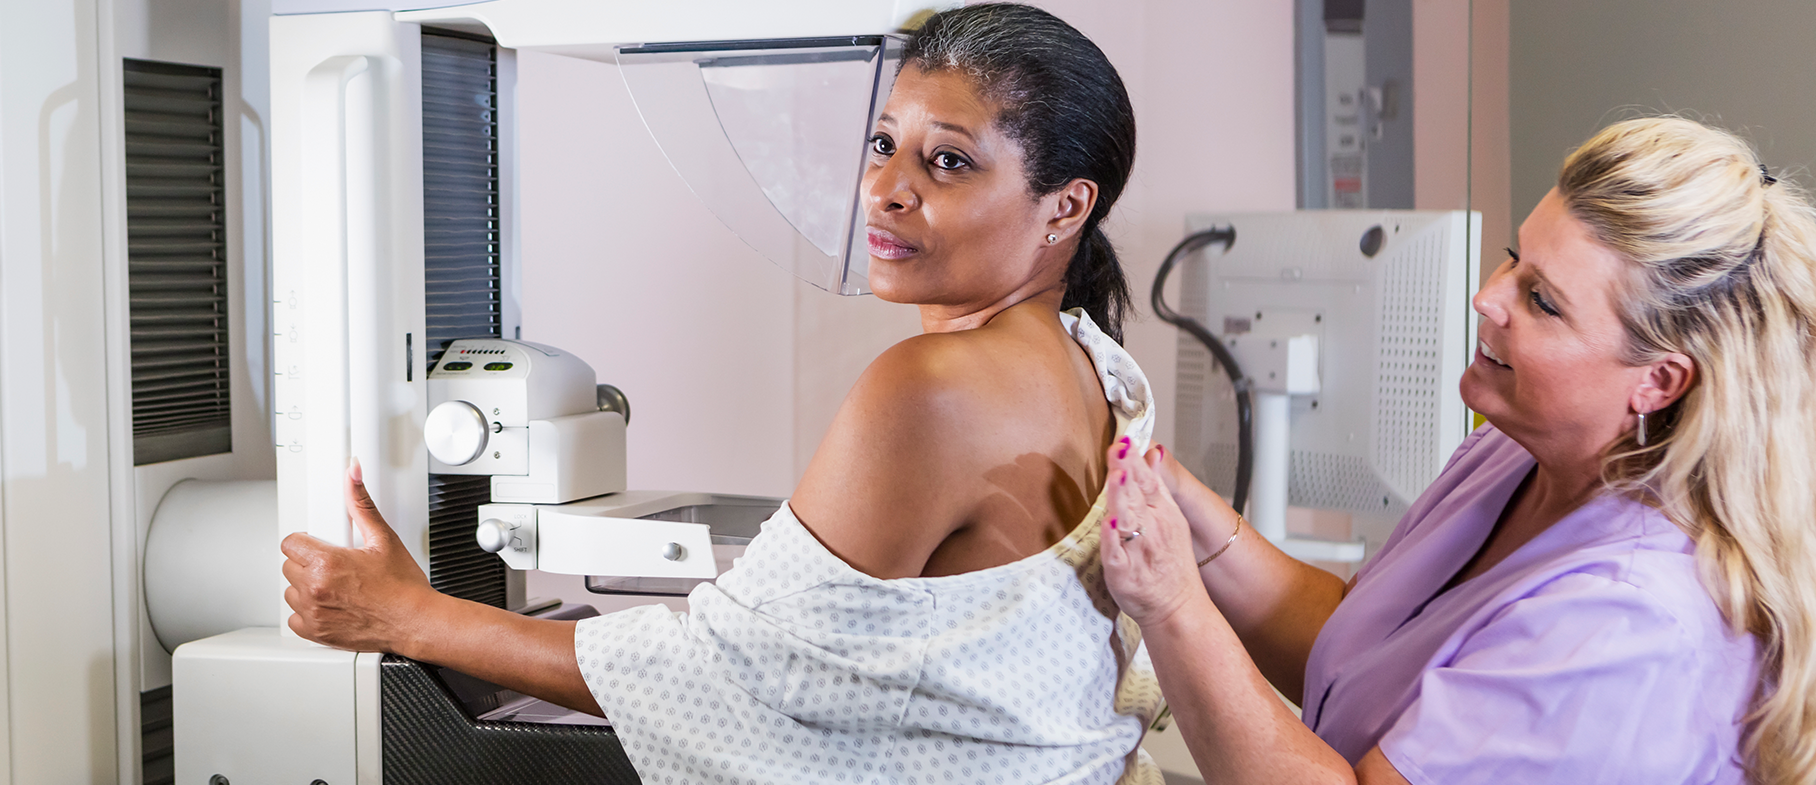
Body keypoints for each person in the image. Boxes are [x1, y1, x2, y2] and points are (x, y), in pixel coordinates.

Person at [282, 5, 1166, 782]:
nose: (886, 190)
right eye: (883, 143)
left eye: (947, 162)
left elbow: (724, 675)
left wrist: (408, 615)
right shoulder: (1092, 363)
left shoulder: (936, 385)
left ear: (1063, 207)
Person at [1100, 116, 1816, 785]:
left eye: (1541, 300)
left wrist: (1170, 607)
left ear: (1656, 380)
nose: (1487, 297)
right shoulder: (1509, 456)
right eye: (1512, 259)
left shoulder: (1628, 622)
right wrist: (1191, 525)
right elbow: (1365, 654)